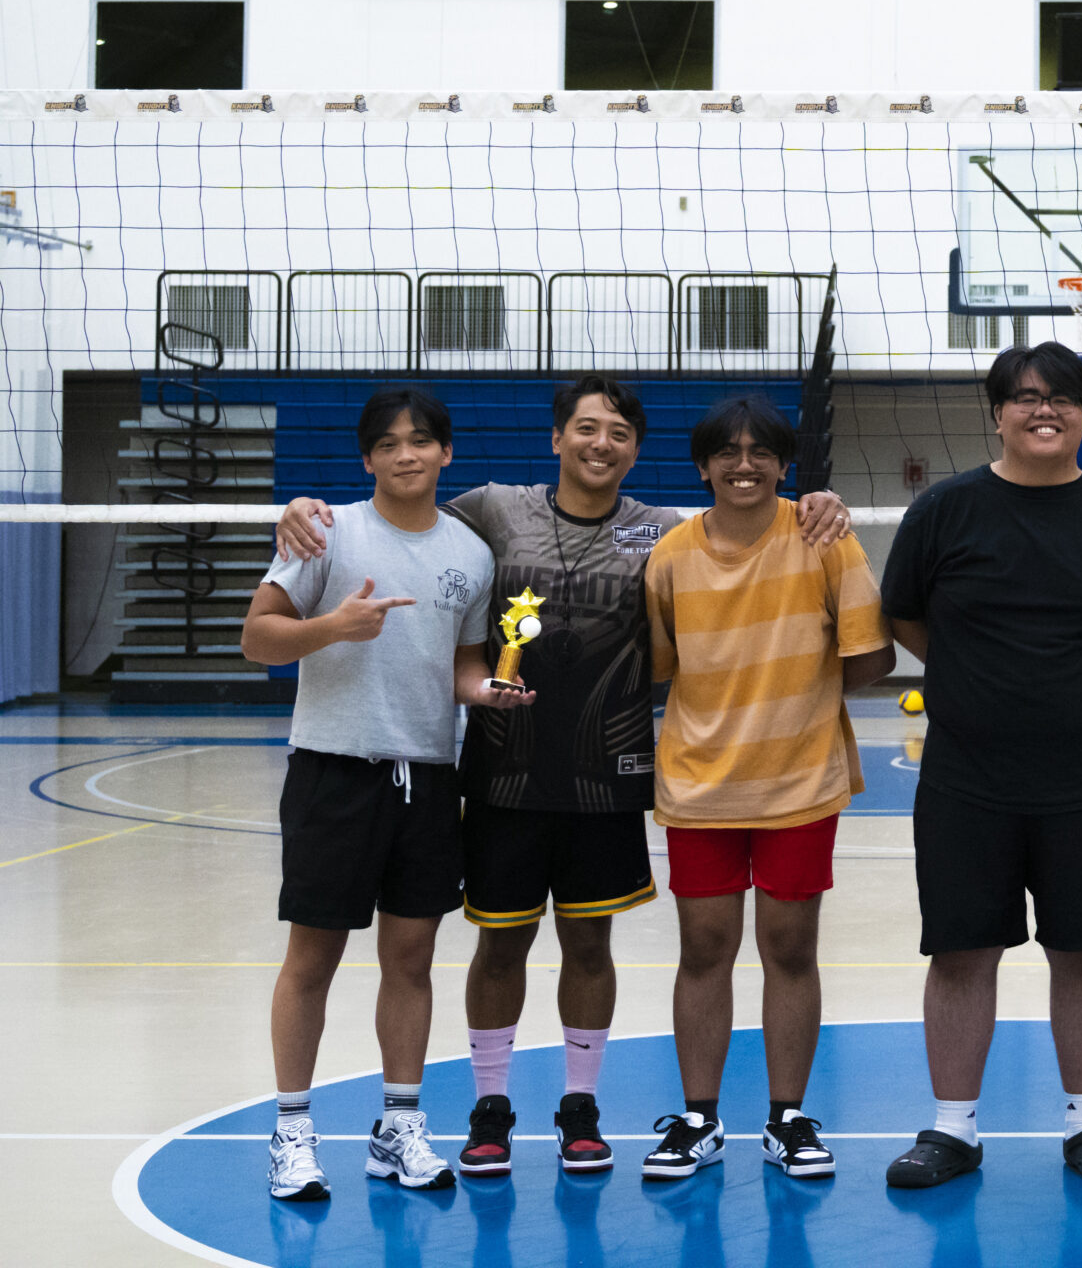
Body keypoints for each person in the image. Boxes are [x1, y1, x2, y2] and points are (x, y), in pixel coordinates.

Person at [273, 377, 853, 1176]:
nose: (600, 443)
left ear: (638, 451)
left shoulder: (663, 534)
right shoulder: (492, 510)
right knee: (499, 946)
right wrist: (305, 506)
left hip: (608, 780)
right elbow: (402, 504)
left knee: (590, 945)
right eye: (585, 428)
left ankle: (580, 1107)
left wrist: (822, 502)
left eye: (618, 432)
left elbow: (734, 551)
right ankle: (490, 1108)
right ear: (555, 439)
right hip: (503, 777)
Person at [878, 343, 1082, 1190]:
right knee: (962, 952)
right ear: (998, 411)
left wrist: (1072, 687)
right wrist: (987, 679)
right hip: (967, 779)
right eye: (1023, 397)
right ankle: (953, 1130)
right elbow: (904, 618)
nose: (1042, 410)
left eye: (1060, 398)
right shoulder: (945, 511)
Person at [242, 385, 512, 1200]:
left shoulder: (472, 554)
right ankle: (292, 1131)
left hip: (426, 779)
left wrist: (485, 691)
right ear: (367, 459)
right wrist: (332, 627)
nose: (406, 454)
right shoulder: (326, 530)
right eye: (389, 443)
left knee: (412, 960)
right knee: (312, 960)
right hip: (333, 771)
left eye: (421, 440)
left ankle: (398, 1128)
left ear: (446, 453)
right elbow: (259, 637)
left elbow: (461, 664)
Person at [637, 395, 894, 1181]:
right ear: (702, 465)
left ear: (785, 464)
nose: (743, 464)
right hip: (699, 785)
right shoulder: (671, 556)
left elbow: (871, 659)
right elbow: (660, 670)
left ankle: (788, 1118)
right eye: (727, 451)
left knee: (790, 949)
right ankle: (698, 1119)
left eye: (760, 452)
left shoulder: (824, 539)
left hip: (799, 785)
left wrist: (797, 692)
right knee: (703, 949)